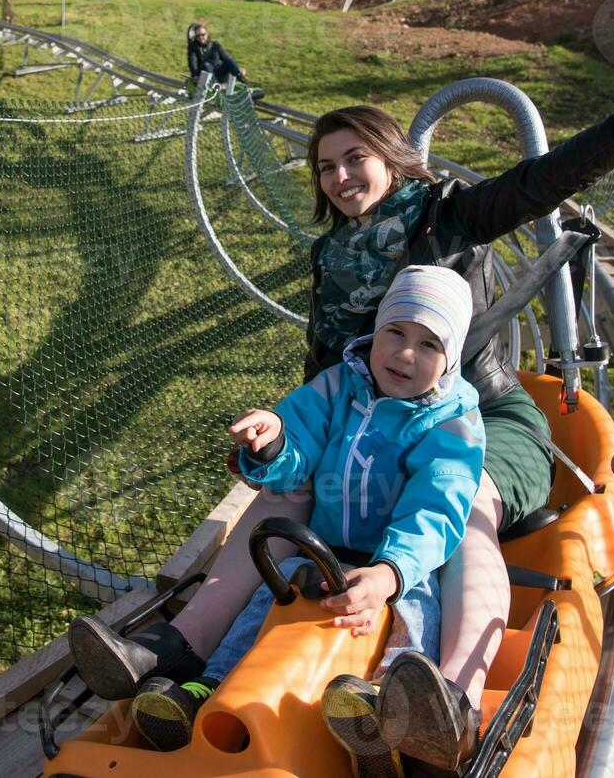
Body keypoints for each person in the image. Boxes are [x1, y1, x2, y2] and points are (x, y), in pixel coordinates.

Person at [73, 0, 614, 774]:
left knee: (468, 507)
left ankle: (448, 691)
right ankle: (171, 651)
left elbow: (551, 176)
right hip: (368, 412)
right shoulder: (334, 254)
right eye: (325, 167)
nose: (341, 176)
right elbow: (326, 376)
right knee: (281, 499)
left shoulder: (448, 218)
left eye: (355, 158)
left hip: (472, 414)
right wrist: (281, 441)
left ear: (389, 157)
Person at [127, 265, 482, 777]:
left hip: (397, 559)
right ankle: (211, 687)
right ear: (375, 331)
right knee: (265, 601)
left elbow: (437, 506)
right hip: (325, 545)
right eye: (396, 333)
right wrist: (273, 441)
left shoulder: (452, 422)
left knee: (418, 614)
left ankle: (389, 710)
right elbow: (299, 448)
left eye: (429, 345)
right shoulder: (337, 387)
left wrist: (390, 573)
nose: (406, 353)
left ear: (450, 361)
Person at [186, 23, 257, 95]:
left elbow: (226, 57)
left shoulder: (215, 45)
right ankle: (215, 88)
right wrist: (195, 76)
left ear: (207, 34)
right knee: (207, 65)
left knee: (229, 61)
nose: (201, 37)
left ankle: (243, 81)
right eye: (198, 36)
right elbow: (193, 62)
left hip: (218, 73)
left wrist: (238, 69)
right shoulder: (193, 48)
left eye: (203, 35)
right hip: (204, 76)